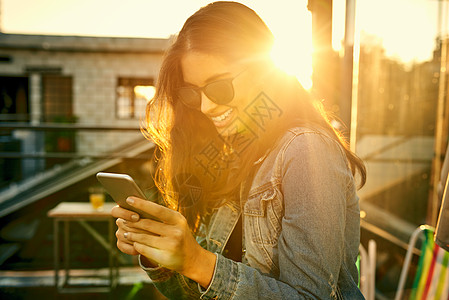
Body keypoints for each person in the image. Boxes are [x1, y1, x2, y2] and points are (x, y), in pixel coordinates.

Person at [111, 1, 367, 299]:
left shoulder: (307, 150)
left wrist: (199, 262)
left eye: (219, 86)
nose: (205, 107)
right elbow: (193, 294)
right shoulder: (228, 151)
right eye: (192, 92)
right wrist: (161, 255)